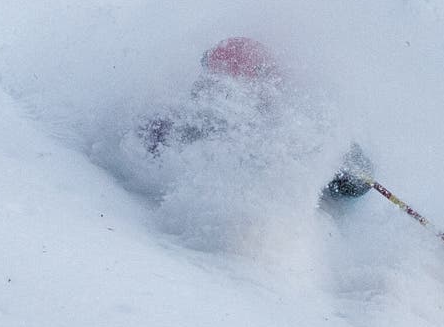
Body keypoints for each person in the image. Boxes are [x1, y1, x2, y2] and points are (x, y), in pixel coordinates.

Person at [143, 36, 374, 205]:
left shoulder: (292, 117)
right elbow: (151, 143)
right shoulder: (194, 115)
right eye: (213, 81)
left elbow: (357, 178)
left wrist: (338, 159)